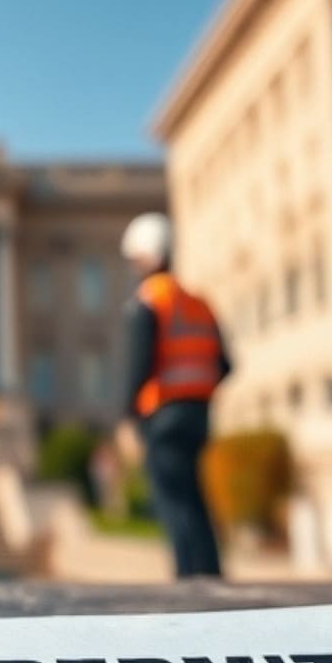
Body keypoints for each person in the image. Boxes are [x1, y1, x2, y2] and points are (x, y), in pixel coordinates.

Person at [116, 212, 230, 578]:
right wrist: (197, 391)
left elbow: (139, 364)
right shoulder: (198, 302)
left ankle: (187, 582)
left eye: (135, 261)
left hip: (162, 417)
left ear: (148, 256)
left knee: (173, 503)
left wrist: (126, 417)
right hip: (198, 414)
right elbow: (225, 364)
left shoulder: (149, 301)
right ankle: (211, 576)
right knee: (194, 500)